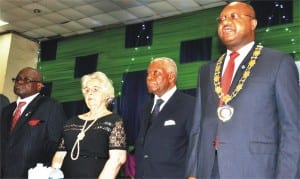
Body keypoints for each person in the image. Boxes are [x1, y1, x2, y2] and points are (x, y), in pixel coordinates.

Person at [186, 2, 300, 178]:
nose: (225, 22)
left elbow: (292, 129)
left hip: (255, 170)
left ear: (253, 23)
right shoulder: (206, 70)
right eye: (222, 19)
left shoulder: (278, 63)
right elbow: (197, 127)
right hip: (208, 170)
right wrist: (192, 172)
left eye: (234, 16)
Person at [51, 71, 127, 178]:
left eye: (95, 89)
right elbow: (59, 156)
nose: (90, 93)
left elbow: (117, 159)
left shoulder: (114, 120)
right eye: (86, 90)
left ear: (106, 95)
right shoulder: (71, 121)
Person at [0, 67, 67, 178]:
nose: (20, 82)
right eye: (18, 79)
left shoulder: (50, 106)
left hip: (31, 174)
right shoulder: (7, 110)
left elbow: (58, 143)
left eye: (27, 80)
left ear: (39, 86)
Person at [135, 57, 195, 178]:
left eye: (156, 72)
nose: (149, 77)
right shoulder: (145, 109)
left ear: (171, 76)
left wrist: (193, 175)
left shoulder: (190, 104)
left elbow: (195, 146)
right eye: (148, 74)